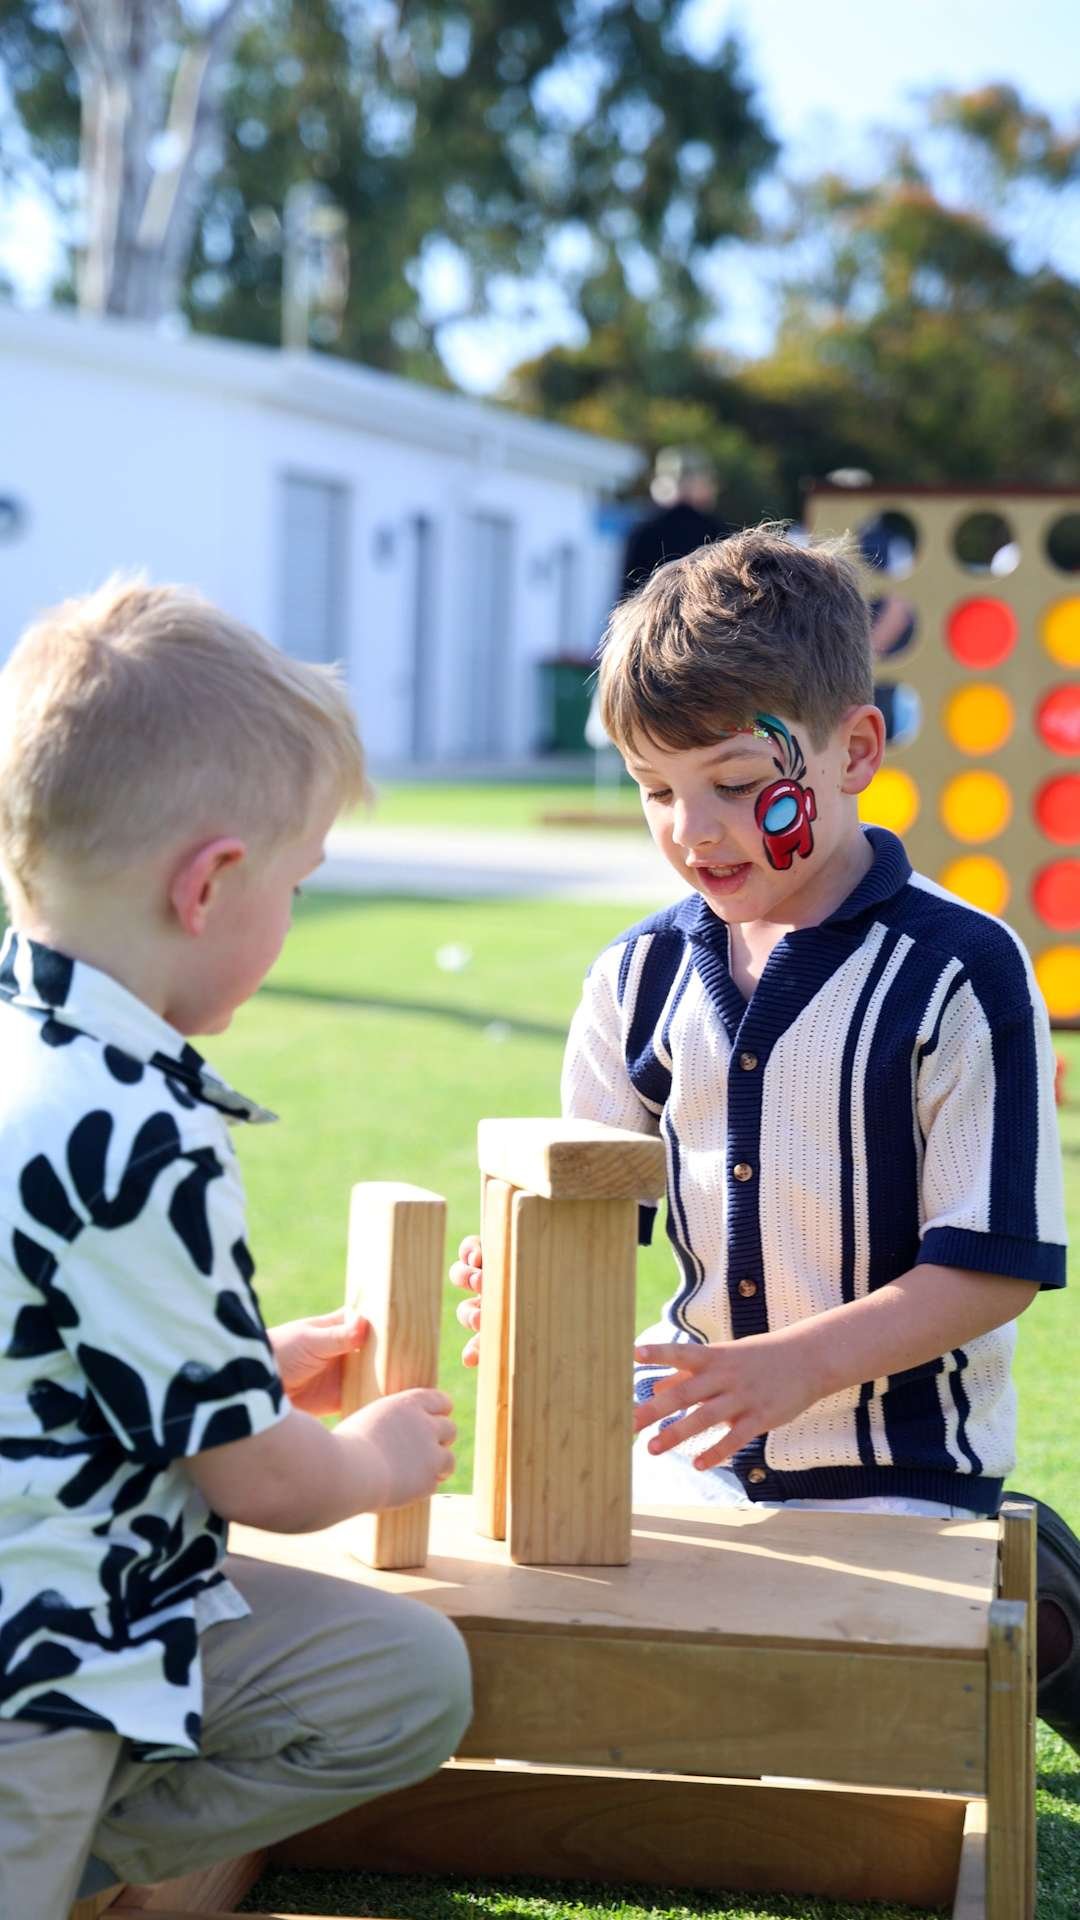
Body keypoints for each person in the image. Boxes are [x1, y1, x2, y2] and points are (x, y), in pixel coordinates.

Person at [452, 525, 1079, 1752]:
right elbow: (589, 1209)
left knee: (839, 1737)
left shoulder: (961, 969)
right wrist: (525, 1285)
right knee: (558, 1681)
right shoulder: (633, 976)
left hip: (897, 1470)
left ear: (853, 752)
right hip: (689, 1456)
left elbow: (994, 1267)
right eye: (656, 792)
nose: (696, 830)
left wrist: (792, 1365)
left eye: (739, 785)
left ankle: (1037, 1596)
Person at [0, 579, 471, 1917]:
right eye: (295, 886)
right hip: (42, 1656)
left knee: (397, 1673)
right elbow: (258, 1477)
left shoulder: (22, 1048)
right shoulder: (144, 1131)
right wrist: (370, 1456)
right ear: (211, 883)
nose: (288, 919)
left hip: (69, 1591)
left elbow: (47, 1348)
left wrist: (244, 1360)